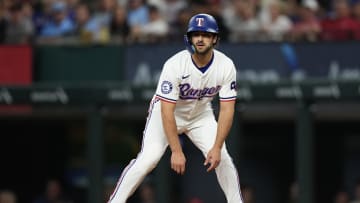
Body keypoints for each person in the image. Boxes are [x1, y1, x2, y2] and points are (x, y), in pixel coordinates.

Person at [108, 13, 243, 203]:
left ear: (214, 38)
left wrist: (217, 146)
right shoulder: (175, 64)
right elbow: (166, 110)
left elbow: (228, 110)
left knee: (223, 158)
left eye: (205, 34)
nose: (200, 39)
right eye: (196, 34)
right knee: (149, 159)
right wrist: (176, 150)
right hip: (166, 113)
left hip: (200, 114)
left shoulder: (226, 65)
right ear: (189, 38)